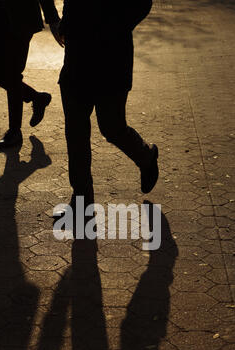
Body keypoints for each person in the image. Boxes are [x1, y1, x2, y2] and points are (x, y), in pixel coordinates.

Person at [55, 0, 158, 209]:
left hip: (112, 59)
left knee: (112, 127)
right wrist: (61, 23)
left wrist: (116, 26)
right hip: (76, 57)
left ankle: (145, 156)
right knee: (76, 131)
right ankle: (82, 198)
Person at [0, 0, 62, 148]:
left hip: (22, 18)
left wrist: (53, 19)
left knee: (12, 75)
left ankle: (14, 131)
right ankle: (38, 98)